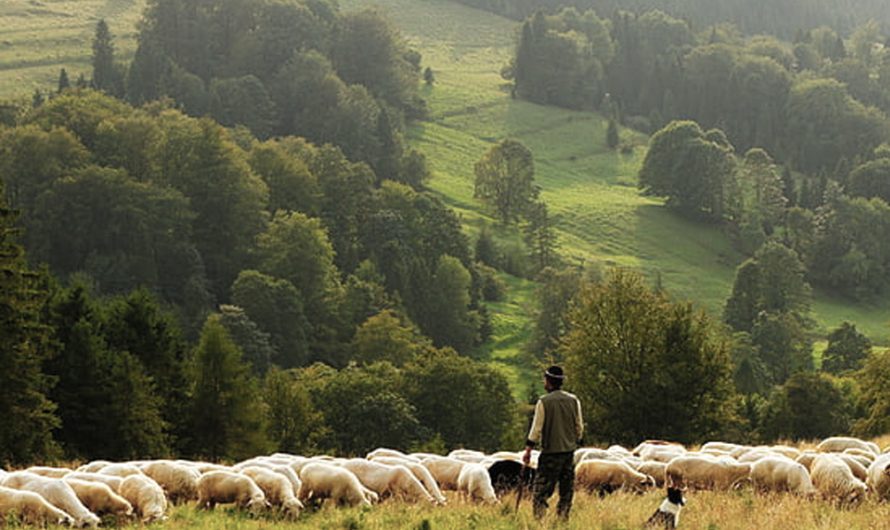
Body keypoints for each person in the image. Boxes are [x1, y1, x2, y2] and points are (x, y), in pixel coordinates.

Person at [522, 365, 583, 520]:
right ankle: (562, 520)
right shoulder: (573, 400)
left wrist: (528, 449)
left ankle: (540, 522)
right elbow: (579, 427)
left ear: (548, 381)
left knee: (540, 492)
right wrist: (573, 440)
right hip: (569, 453)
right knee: (566, 491)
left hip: (550, 454)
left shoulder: (544, 402)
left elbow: (536, 429)